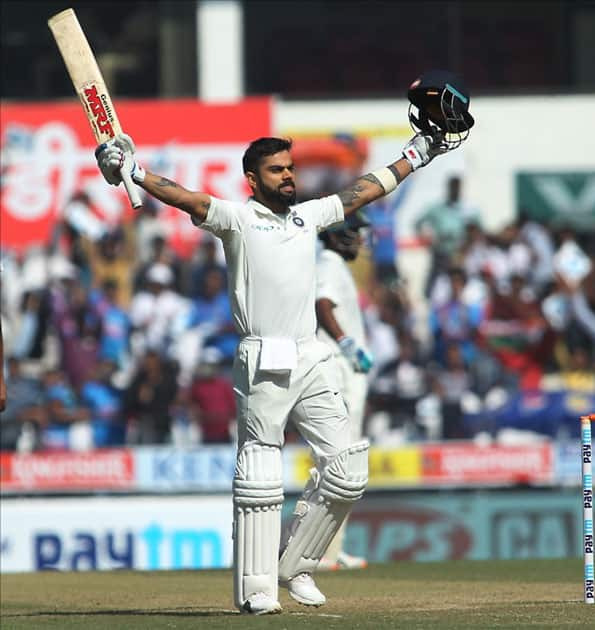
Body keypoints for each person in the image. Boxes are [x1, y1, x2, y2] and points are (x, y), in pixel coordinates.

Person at [96, 127, 449, 613]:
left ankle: (296, 565)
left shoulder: (306, 217)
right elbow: (186, 198)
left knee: (347, 469)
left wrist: (418, 154)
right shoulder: (237, 219)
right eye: (276, 170)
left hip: (311, 356)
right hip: (263, 358)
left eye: (290, 168)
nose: (288, 177)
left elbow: (362, 190)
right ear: (251, 178)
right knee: (261, 476)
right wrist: (132, 173)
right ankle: (256, 589)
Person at [314, 209, 373, 571]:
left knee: (347, 464)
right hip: (339, 370)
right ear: (336, 235)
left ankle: (333, 549)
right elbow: (322, 306)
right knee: (338, 462)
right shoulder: (329, 262)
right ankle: (318, 551)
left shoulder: (336, 264)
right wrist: (346, 342)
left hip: (348, 371)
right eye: (354, 232)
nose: (360, 239)